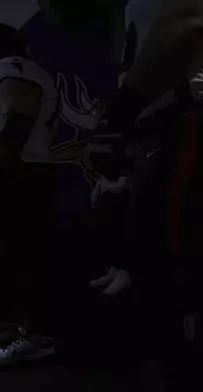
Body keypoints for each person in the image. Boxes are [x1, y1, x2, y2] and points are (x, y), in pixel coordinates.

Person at [85, 0, 203, 390]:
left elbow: (189, 20)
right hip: (167, 126)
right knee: (163, 296)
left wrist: (120, 113)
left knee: (180, 297)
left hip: (186, 123)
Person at [0, 23, 58, 367]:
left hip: (20, 172)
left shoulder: (13, 68)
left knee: (15, 256)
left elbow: (15, 129)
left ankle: (19, 338)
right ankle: (23, 336)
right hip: (24, 172)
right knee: (20, 256)